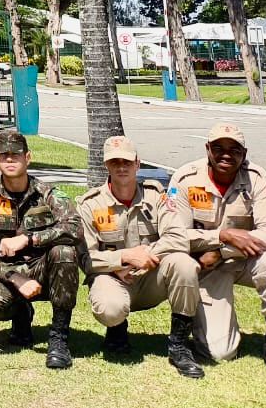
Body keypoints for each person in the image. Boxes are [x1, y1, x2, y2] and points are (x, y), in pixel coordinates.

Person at [167, 122, 266, 381]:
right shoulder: (185, 178)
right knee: (220, 352)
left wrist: (222, 251)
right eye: (218, 147)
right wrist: (222, 235)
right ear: (207, 149)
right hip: (206, 267)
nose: (226, 154)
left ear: (244, 152)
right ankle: (202, 325)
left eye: (234, 149)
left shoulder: (257, 179)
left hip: (243, 259)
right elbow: (174, 235)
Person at [77, 135, 204, 377]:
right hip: (113, 278)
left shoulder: (155, 195)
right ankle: (117, 330)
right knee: (110, 308)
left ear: (137, 163)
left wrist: (144, 255)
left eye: (126, 161)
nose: (121, 167)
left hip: (150, 277)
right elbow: (86, 258)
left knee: (184, 264)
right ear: (106, 165)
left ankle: (178, 345)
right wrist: (122, 259)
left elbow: (178, 237)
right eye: (114, 162)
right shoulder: (90, 204)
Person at [0, 129, 82, 369]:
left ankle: (59, 338)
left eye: (16, 155)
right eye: (4, 155)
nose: (10, 160)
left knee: (64, 251)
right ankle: (21, 314)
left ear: (27, 157)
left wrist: (29, 240)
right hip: (7, 274)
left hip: (44, 270)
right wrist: (14, 277)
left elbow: (74, 228)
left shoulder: (48, 194)